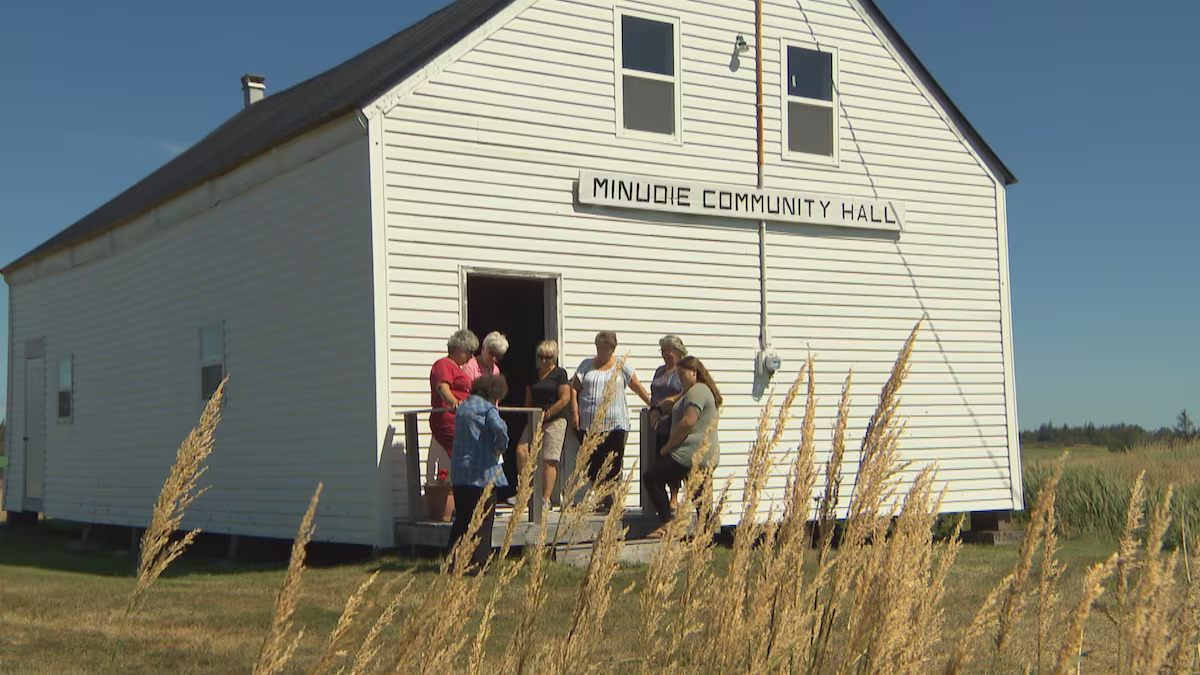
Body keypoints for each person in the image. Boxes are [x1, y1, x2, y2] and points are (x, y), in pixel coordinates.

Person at [571, 330, 651, 511]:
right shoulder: (585, 365)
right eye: (598, 348)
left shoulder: (621, 365)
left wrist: (652, 404)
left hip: (615, 423)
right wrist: (575, 411)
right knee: (593, 463)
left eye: (604, 349)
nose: (600, 352)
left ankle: (613, 499)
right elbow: (574, 389)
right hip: (590, 424)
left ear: (612, 349)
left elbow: (636, 386)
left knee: (613, 462)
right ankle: (600, 498)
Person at [643, 355, 722, 537]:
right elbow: (673, 401)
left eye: (682, 373)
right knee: (699, 496)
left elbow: (687, 422)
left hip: (691, 452)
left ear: (694, 372)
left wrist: (669, 446)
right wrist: (658, 409)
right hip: (706, 454)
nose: (679, 377)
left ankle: (666, 524)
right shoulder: (695, 391)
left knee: (652, 477)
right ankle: (705, 538)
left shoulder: (698, 391)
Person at [447, 374, 510, 575]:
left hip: (460, 472)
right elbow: (501, 429)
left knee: (462, 519)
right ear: (493, 393)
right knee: (483, 521)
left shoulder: (462, 407)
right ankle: (478, 564)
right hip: (482, 473)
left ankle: (453, 563)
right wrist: (498, 448)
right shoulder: (487, 409)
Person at [516, 340, 571, 514]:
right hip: (535, 419)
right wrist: (531, 415)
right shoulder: (533, 375)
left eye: (548, 357)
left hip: (555, 419)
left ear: (554, 358)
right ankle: (528, 492)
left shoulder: (560, 374)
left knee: (549, 459)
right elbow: (528, 398)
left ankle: (545, 499)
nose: (545, 360)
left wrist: (548, 413)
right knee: (522, 450)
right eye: (541, 357)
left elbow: (565, 398)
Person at [428, 329, 478, 484]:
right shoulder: (443, 364)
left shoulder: (458, 368)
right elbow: (442, 388)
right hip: (449, 420)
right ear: (458, 349)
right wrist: (454, 403)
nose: (471, 356)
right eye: (469, 352)